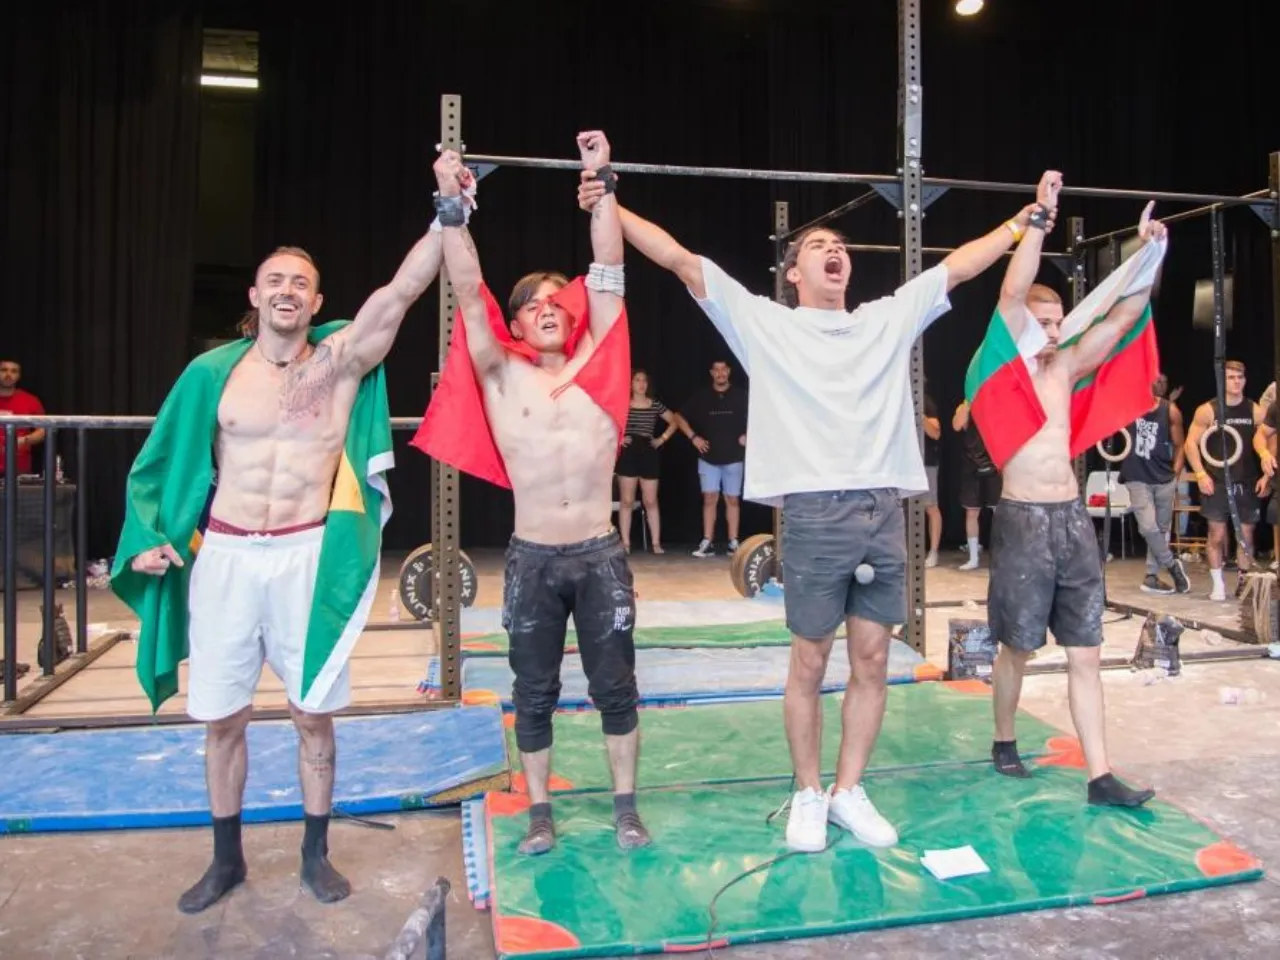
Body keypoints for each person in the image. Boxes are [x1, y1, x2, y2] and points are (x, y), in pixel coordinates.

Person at [581, 156, 1065, 852]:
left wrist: (1023, 223)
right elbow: (681, 261)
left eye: (839, 245)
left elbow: (959, 266)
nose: (833, 251)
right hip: (813, 514)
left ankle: (848, 791)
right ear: (793, 274)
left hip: (882, 510)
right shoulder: (764, 323)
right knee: (808, 662)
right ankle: (808, 792)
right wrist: (609, 201)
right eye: (817, 246)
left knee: (872, 659)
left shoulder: (885, 318)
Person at [111, 190, 456, 911]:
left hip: (305, 556)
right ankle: (225, 860)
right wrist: (146, 538)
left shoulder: (340, 362)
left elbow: (401, 292)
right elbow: (160, 463)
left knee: (312, 715)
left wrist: (444, 212)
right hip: (228, 556)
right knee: (223, 719)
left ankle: (314, 853)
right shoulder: (214, 374)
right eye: (275, 280)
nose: (287, 290)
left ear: (317, 300)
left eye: (300, 282)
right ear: (255, 295)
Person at [415, 134, 648, 857]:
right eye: (531, 304)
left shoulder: (599, 359)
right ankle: (540, 810)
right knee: (533, 692)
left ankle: (626, 807)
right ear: (515, 324)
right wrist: (451, 204)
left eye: (555, 300)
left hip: (600, 554)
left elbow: (608, 270)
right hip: (534, 560)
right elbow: (466, 287)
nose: (546, 308)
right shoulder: (499, 374)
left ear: (570, 315)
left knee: (617, 689)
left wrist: (601, 183)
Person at [980, 191, 1162, 808]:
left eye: (1060, 321)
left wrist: (1148, 252)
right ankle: (1004, 738)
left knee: (1087, 651)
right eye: (1046, 322)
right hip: (1023, 520)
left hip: (1071, 520)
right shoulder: (1003, 369)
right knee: (1018, 646)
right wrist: (1036, 222)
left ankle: (1100, 776)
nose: (1056, 331)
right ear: (1023, 326)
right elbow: (1011, 292)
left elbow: (1120, 319)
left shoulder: (1065, 367)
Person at [1183, 360, 1273, 600]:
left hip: (1246, 481)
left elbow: (1271, 439)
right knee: (1217, 535)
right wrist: (1200, 474)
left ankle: (1243, 581)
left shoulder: (1255, 411)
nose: (1236, 382)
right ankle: (1218, 585)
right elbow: (1190, 443)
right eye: (1231, 377)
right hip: (1216, 481)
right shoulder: (1208, 410)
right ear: (1222, 381)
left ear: (1245, 380)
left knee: (1246, 535)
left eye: (1240, 377)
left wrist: (1267, 475)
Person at [1119, 374, 1190, 594]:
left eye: (1164, 382)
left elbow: (1180, 445)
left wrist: (1175, 475)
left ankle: (1151, 575)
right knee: (1148, 527)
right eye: (1156, 380)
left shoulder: (1171, 410)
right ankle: (1172, 565)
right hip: (1136, 475)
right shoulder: (1131, 405)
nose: (1161, 384)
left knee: (1161, 528)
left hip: (1163, 476)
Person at [680, 359, 749, 557]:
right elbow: (679, 417)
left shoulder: (741, 395)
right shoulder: (702, 396)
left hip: (734, 457)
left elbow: (760, 416)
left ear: (729, 371)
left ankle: (733, 542)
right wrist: (693, 437)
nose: (720, 373)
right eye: (716, 370)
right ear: (711, 373)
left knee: (732, 499)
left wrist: (749, 435)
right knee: (709, 498)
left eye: (723, 369)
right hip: (708, 457)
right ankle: (707, 541)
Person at [615, 368, 682, 553]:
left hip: (648, 452)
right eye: (637, 380)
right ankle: (625, 543)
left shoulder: (654, 404)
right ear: (631, 384)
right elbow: (606, 421)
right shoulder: (623, 403)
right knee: (627, 500)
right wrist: (619, 438)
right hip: (628, 453)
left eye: (644, 380)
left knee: (650, 500)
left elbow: (675, 420)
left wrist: (662, 439)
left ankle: (656, 543)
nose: (641, 384)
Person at [952, 398, 1000, 570]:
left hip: (995, 463)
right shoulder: (966, 404)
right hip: (971, 465)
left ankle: (1001, 556)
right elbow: (956, 426)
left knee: (999, 512)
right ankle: (973, 558)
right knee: (971, 512)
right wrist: (967, 405)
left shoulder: (996, 403)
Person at [0, 359, 46, 476]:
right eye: (4, 370)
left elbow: (42, 430)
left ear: (18, 376)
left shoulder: (30, 400)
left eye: (13, 371)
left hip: (20, 469)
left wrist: (24, 440)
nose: (8, 374)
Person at [919, 387, 943, 567]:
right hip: (903, 461)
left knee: (930, 506)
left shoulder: (925, 400)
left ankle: (933, 551)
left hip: (926, 461)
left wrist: (919, 416)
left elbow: (935, 433)